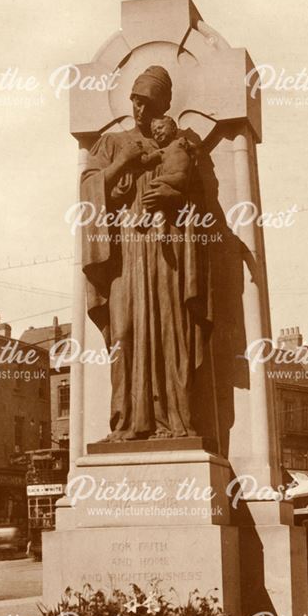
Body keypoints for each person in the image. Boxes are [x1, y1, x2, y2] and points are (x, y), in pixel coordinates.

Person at [80, 65, 211, 441]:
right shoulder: (111, 143)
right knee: (123, 331)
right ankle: (125, 422)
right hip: (123, 251)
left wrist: (175, 195)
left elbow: (201, 200)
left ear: (163, 106)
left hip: (165, 247)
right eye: (135, 102)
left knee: (170, 330)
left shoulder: (180, 144)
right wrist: (124, 162)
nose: (139, 111)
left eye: (148, 103)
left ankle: (175, 422)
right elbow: (88, 189)